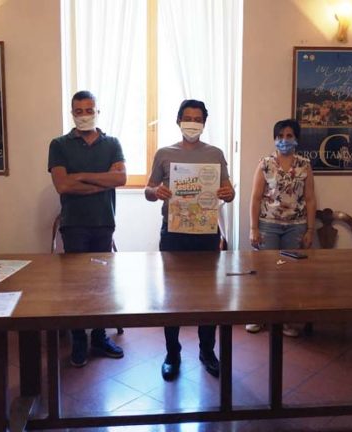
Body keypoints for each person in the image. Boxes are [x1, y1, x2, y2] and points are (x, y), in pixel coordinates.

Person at [145, 99, 235, 381]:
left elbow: (228, 189)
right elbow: (148, 190)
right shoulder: (164, 153)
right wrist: (155, 192)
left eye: (198, 119)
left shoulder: (215, 154)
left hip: (206, 234)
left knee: (208, 298)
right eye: (188, 118)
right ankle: (172, 354)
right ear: (178, 120)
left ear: (204, 123)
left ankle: (207, 351)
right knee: (172, 297)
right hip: (173, 233)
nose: (192, 123)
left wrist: (229, 193)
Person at [48, 90, 127, 368]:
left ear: (97, 111)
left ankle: (99, 337)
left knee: (101, 284)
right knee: (77, 286)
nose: (84, 115)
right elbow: (62, 185)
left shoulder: (112, 143)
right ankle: (79, 339)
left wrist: (81, 176)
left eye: (89, 110)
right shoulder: (59, 144)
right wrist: (101, 182)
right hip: (74, 225)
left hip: (104, 223)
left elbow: (121, 178)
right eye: (79, 111)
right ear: (72, 113)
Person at [247, 119, 316, 337]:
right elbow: (255, 198)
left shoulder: (305, 165)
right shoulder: (265, 164)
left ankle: (286, 320)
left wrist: (310, 230)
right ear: (274, 139)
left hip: (295, 227)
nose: (284, 140)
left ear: (296, 138)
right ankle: (260, 316)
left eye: (289, 136)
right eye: (280, 136)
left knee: (289, 274)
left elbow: (310, 199)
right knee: (265, 272)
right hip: (268, 225)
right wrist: (253, 228)